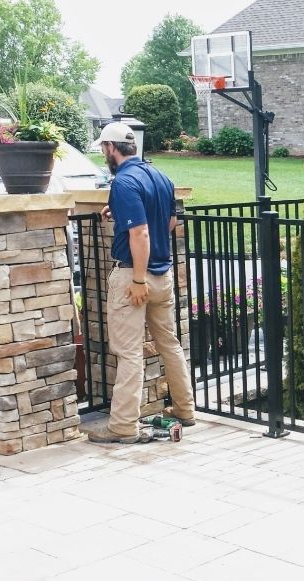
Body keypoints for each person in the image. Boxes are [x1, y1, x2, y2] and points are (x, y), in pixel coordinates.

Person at [87, 122, 195, 444]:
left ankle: (122, 427)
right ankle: (185, 410)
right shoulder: (160, 176)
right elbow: (171, 221)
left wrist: (136, 279)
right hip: (163, 277)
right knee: (170, 344)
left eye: (103, 148)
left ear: (110, 148)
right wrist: (119, 212)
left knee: (129, 353)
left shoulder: (123, 181)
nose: (104, 153)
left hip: (135, 277)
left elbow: (140, 233)